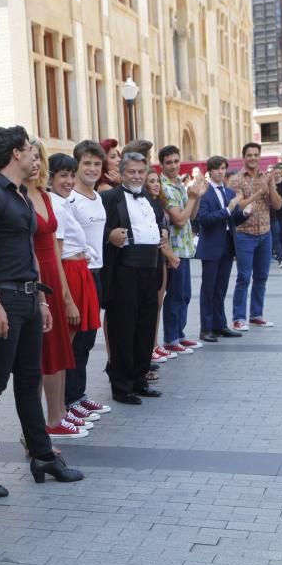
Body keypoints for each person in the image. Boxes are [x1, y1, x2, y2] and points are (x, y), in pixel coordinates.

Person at [0, 125, 84, 485]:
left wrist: (43, 300)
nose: (36, 155)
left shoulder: (20, 195)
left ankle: (43, 456)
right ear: (15, 154)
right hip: (3, 299)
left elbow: (28, 250)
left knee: (28, 379)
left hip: (29, 298)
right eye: (29, 150)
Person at [100, 152, 166, 404]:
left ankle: (140, 379)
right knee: (123, 328)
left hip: (150, 266)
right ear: (122, 173)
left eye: (141, 172)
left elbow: (158, 223)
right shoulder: (108, 198)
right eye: (132, 172)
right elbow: (92, 226)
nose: (137, 176)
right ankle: (121, 386)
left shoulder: (150, 198)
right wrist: (108, 235)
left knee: (146, 326)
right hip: (124, 269)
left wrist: (165, 232)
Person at [26, 140, 81, 437]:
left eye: (39, 157)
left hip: (52, 274)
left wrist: (64, 293)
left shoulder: (45, 197)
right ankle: (38, 424)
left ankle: (57, 414)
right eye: (30, 157)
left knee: (58, 348)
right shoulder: (19, 197)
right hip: (33, 277)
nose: (35, 163)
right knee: (39, 354)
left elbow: (55, 251)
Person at [61, 142, 112, 419]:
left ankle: (78, 395)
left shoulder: (97, 198)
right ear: (77, 166)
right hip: (78, 273)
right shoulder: (70, 200)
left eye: (97, 164)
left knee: (87, 340)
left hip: (97, 272)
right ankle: (68, 401)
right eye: (87, 164)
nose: (93, 169)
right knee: (76, 341)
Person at [228, 142, 282, 331]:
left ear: (259, 157)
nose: (253, 158)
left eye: (255, 155)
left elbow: (277, 205)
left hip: (265, 233)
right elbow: (239, 206)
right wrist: (260, 191)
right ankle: (238, 318)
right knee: (244, 277)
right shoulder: (236, 180)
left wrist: (271, 187)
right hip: (245, 234)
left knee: (261, 277)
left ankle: (256, 314)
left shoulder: (266, 177)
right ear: (244, 157)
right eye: (249, 155)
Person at [159, 144, 206, 355]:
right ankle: (170, 338)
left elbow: (192, 216)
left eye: (176, 161)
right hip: (174, 249)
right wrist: (193, 198)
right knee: (176, 295)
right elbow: (178, 219)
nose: (173, 166)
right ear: (161, 164)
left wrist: (196, 196)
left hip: (185, 247)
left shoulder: (178, 183)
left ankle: (180, 334)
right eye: (168, 162)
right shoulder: (163, 186)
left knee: (185, 294)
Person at [195, 155, 246, 342]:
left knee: (221, 288)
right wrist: (227, 210)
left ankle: (220, 325)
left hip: (227, 243)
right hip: (210, 245)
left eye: (223, 168)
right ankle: (206, 328)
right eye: (217, 168)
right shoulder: (205, 193)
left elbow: (234, 217)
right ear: (210, 171)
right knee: (208, 288)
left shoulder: (229, 192)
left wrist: (244, 214)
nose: (221, 171)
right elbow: (203, 220)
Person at [144, 169, 180, 366]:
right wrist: (170, 255)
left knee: (158, 304)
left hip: (161, 257)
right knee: (153, 305)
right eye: (151, 181)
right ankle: (150, 347)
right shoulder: (147, 203)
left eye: (157, 180)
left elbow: (163, 228)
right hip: (155, 255)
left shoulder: (159, 202)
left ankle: (155, 344)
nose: (156, 184)